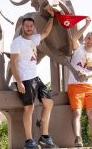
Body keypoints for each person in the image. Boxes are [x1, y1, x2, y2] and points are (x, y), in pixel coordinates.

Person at [10, 10, 57, 148]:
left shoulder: (34, 38)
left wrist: (52, 17)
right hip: (24, 79)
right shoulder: (17, 43)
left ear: (33, 27)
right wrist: (18, 82)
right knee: (29, 109)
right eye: (27, 26)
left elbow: (46, 32)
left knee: (48, 103)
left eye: (31, 26)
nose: (29, 28)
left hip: (35, 77)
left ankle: (44, 136)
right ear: (22, 27)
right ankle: (29, 140)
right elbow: (12, 63)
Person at [67, 17, 92, 147]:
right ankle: (78, 138)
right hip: (75, 85)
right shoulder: (78, 49)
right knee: (77, 112)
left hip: (89, 86)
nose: (90, 41)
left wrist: (87, 74)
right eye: (88, 38)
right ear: (85, 39)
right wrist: (86, 25)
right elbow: (73, 38)